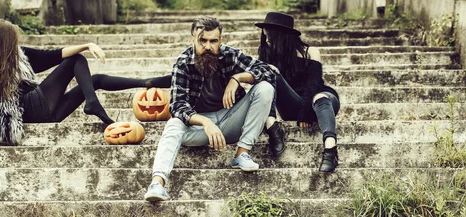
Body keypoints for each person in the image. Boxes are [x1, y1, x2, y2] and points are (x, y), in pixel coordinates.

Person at [0, 19, 170, 145]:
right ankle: (94, 101)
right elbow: (60, 57)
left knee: (92, 78)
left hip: (44, 116)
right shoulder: (19, 56)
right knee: (77, 63)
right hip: (36, 107)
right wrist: (86, 45)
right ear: (9, 42)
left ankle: (141, 83)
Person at [143, 16, 279, 202]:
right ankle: (157, 183)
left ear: (220, 41)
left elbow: (269, 71)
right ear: (193, 40)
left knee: (265, 88)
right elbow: (177, 106)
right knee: (174, 123)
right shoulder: (183, 63)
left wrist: (238, 78)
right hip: (200, 129)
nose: (208, 46)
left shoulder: (229, 55)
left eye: (213, 41)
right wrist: (205, 121)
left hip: (231, 122)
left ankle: (242, 153)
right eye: (202, 41)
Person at [256, 12, 341, 172]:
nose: (267, 40)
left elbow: (314, 85)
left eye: (270, 36)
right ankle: (272, 126)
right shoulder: (267, 54)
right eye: (265, 35)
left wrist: (305, 112)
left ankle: (331, 150)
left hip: (318, 102)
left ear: (282, 37)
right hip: (291, 106)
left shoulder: (310, 52)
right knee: (270, 72)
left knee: (320, 97)